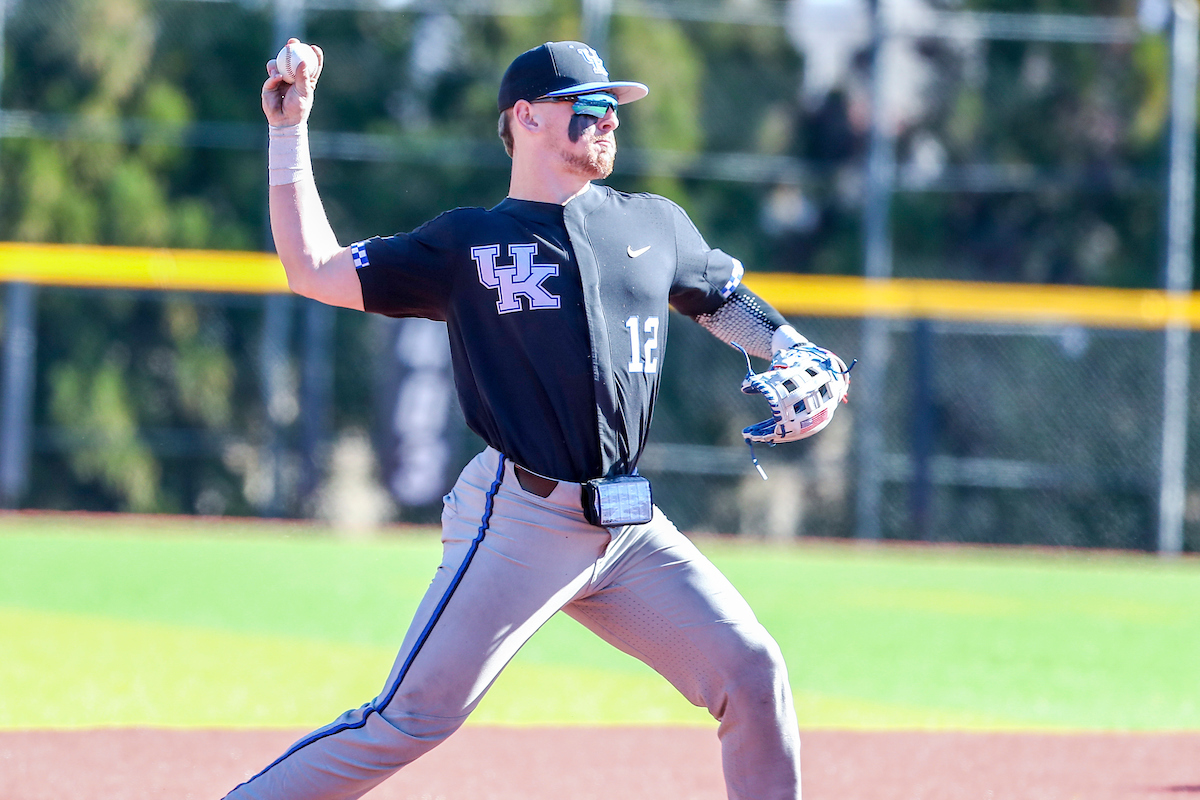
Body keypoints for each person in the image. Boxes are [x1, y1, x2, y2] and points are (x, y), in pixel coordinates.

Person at [230, 38, 849, 800]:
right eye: (588, 107)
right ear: (525, 117)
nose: (608, 121)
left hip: (627, 529)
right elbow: (312, 269)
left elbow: (723, 300)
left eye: (614, 108)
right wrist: (289, 134)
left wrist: (793, 347)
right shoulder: (469, 243)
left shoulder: (654, 223)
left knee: (752, 671)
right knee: (409, 719)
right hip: (519, 520)